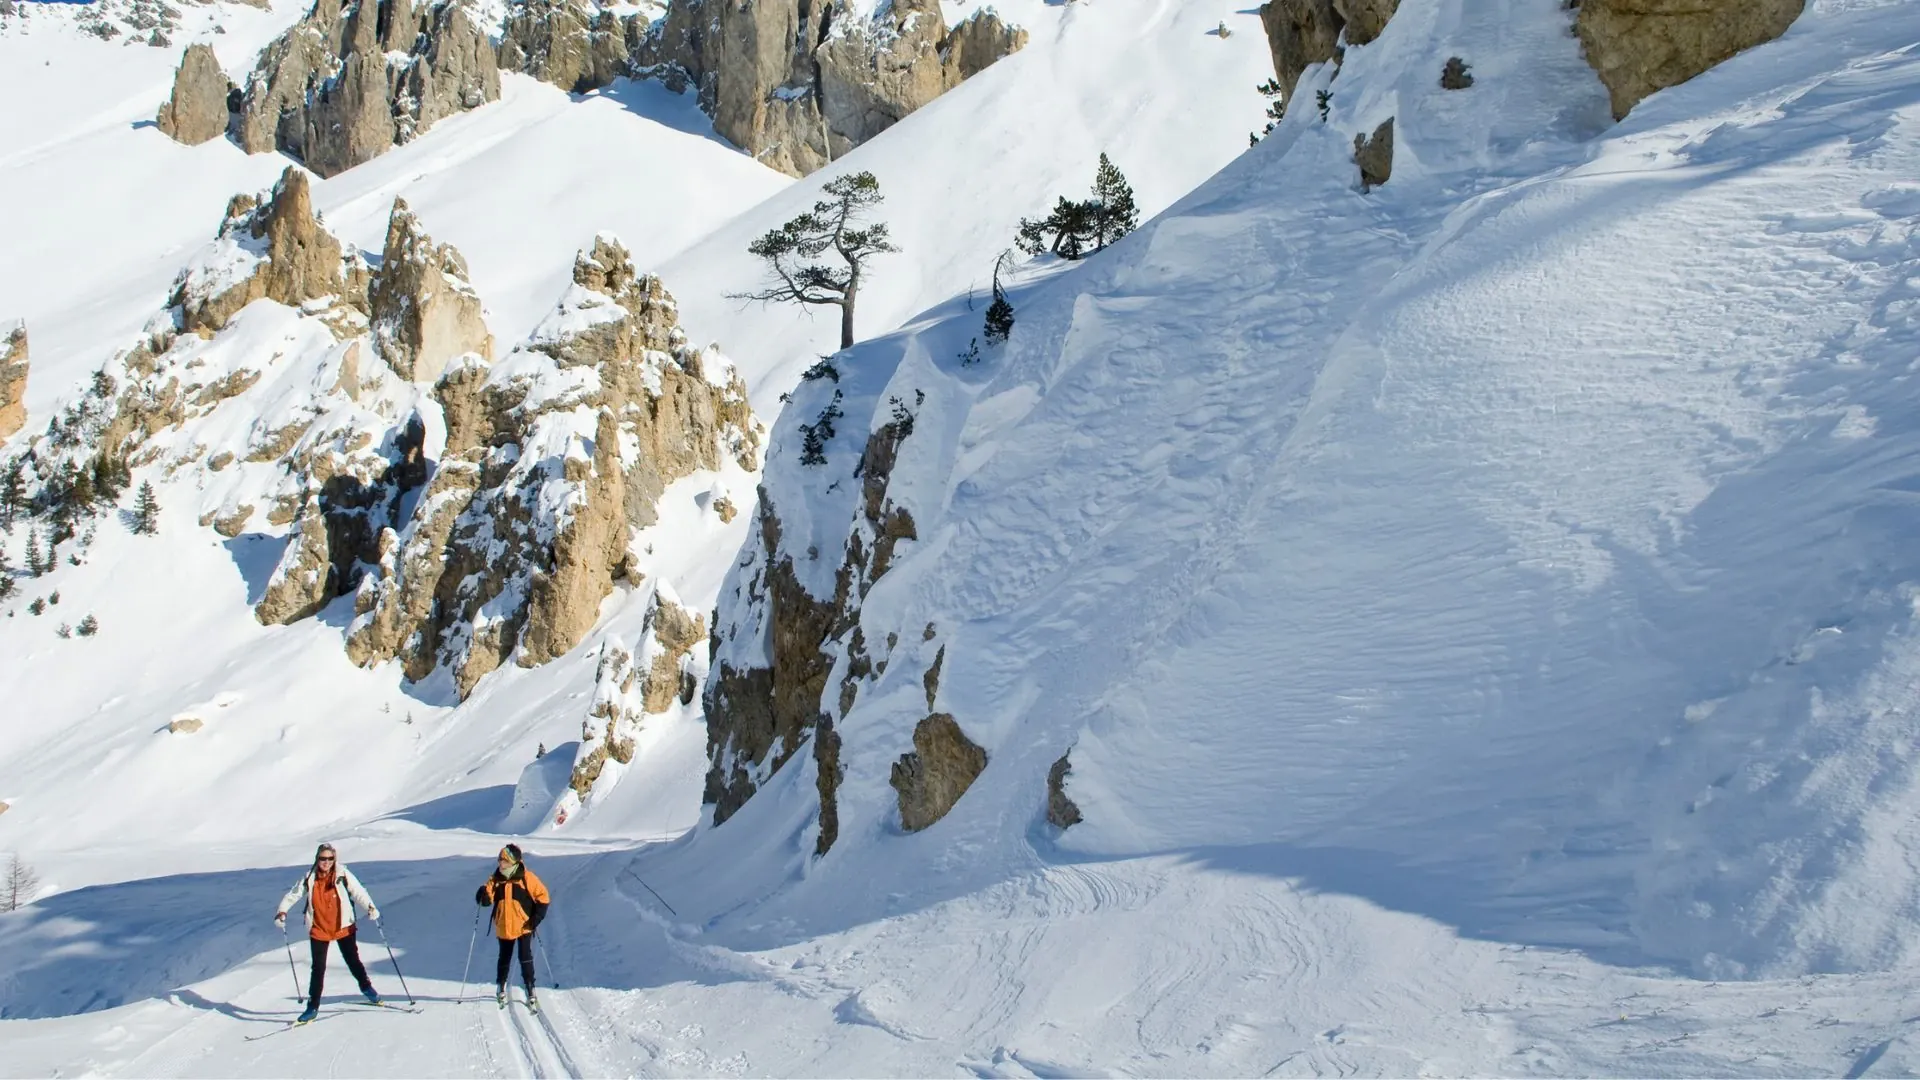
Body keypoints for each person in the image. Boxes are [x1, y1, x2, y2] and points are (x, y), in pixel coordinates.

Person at [274, 843, 384, 1023]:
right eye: (322, 858)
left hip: (343, 926)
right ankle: (313, 1007)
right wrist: (282, 911)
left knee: (352, 960)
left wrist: (370, 907)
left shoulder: (342, 874)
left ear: (335, 859)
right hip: (319, 927)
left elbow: (358, 892)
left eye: (330, 859)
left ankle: (367, 988)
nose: (326, 862)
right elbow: (293, 894)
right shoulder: (309, 877)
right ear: (317, 859)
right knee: (318, 968)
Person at [476, 844, 549, 1009]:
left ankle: (530, 988)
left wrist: (536, 918)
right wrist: (483, 895)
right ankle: (500, 986)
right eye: (500, 860)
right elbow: (488, 898)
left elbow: (543, 897)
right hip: (504, 925)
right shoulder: (496, 879)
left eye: (504, 861)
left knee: (525, 957)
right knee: (504, 957)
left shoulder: (527, 878)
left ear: (514, 862)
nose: (501, 864)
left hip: (524, 925)